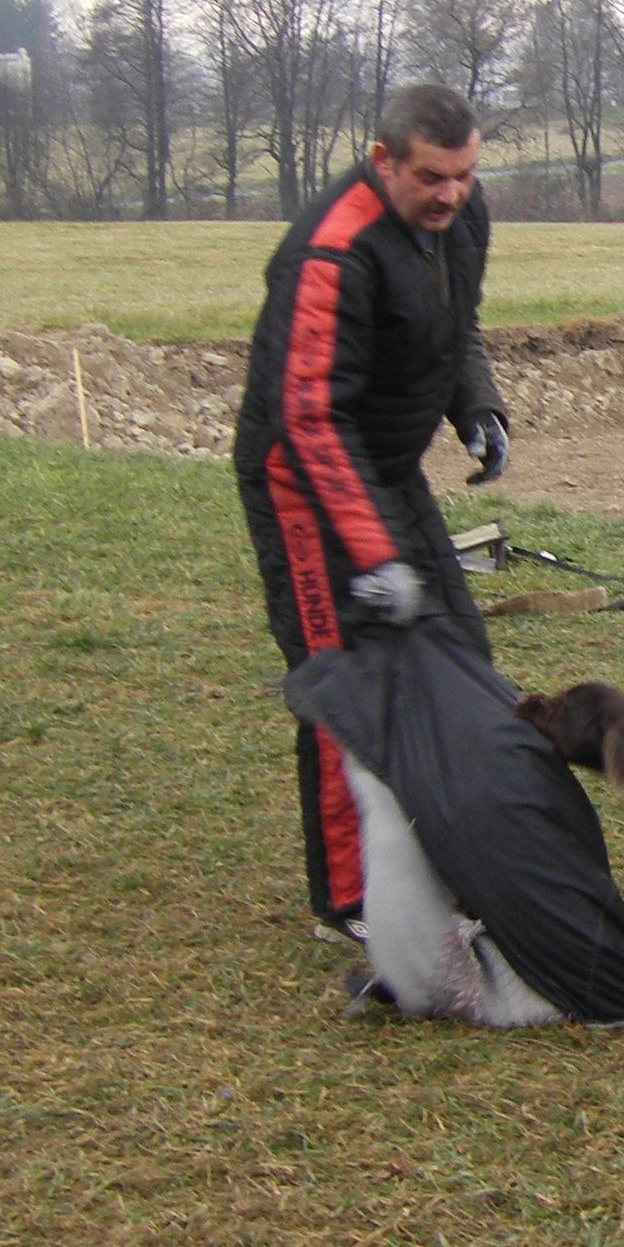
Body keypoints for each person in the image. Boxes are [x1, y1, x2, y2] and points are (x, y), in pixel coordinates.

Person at [234, 83, 514, 943]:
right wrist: (374, 556)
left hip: (387, 467)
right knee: (345, 686)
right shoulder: (331, 253)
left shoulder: (461, 221)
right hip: (303, 485)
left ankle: (446, 858)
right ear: (384, 159)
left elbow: (457, 325)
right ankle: (352, 905)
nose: (452, 195)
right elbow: (311, 420)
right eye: (433, 177)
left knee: (460, 655)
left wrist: (478, 407)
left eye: (465, 175)